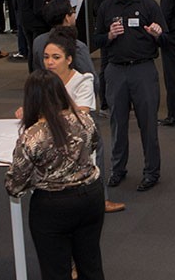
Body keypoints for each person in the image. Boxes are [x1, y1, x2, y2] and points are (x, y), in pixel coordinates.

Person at [6, 70, 105, 280]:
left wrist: (39, 177)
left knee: (55, 271)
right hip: (91, 196)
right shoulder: (85, 120)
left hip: (53, 207)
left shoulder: (33, 136)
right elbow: (93, 145)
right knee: (91, 265)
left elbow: (15, 184)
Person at [95, 0, 166, 191]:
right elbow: (96, 40)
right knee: (117, 123)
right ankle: (118, 168)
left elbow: (166, 39)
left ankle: (151, 171)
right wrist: (109, 36)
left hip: (143, 70)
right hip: (116, 70)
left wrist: (157, 34)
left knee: (148, 123)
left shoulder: (148, 5)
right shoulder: (106, 7)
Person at [37, 33, 125, 214]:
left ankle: (99, 202)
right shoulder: (44, 81)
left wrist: (47, 114)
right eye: (46, 57)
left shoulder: (83, 80)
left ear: (69, 59)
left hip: (79, 143)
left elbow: (81, 113)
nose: (49, 62)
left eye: (56, 57)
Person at [32, 0, 95, 76]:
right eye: (73, 11)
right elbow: (90, 77)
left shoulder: (38, 41)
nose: (74, 13)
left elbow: (36, 70)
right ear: (67, 18)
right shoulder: (77, 46)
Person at [14, 0, 48, 72]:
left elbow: (14, 3)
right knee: (39, 49)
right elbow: (38, 9)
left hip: (24, 19)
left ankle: (32, 73)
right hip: (37, 23)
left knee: (31, 49)